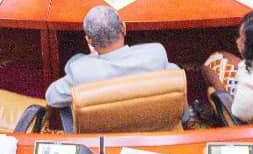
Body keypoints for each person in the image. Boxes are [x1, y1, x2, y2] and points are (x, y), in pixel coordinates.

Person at [45, 6, 176, 108]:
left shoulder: (80, 72)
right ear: (123, 28)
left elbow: (51, 97)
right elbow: (178, 86)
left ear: (89, 40)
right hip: (152, 129)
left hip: (100, 139)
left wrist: (87, 60)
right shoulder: (156, 54)